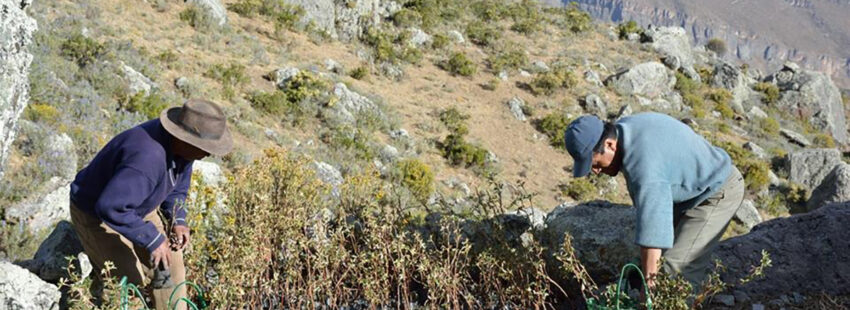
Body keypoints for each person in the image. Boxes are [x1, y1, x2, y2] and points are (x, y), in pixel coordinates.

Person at [69, 99, 232, 309]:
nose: (208, 153)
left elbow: (178, 186)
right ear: (184, 139)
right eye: (205, 148)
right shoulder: (147, 158)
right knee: (127, 285)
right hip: (98, 215)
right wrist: (153, 240)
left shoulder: (183, 149)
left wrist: (178, 219)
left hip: (138, 207)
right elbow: (110, 207)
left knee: (171, 270)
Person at [563, 112, 744, 292]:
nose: (595, 171)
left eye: (595, 163)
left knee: (675, 271)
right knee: (644, 266)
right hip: (689, 194)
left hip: (716, 192)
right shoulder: (626, 131)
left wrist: (649, 291)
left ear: (609, 144)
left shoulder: (643, 164)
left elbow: (653, 230)